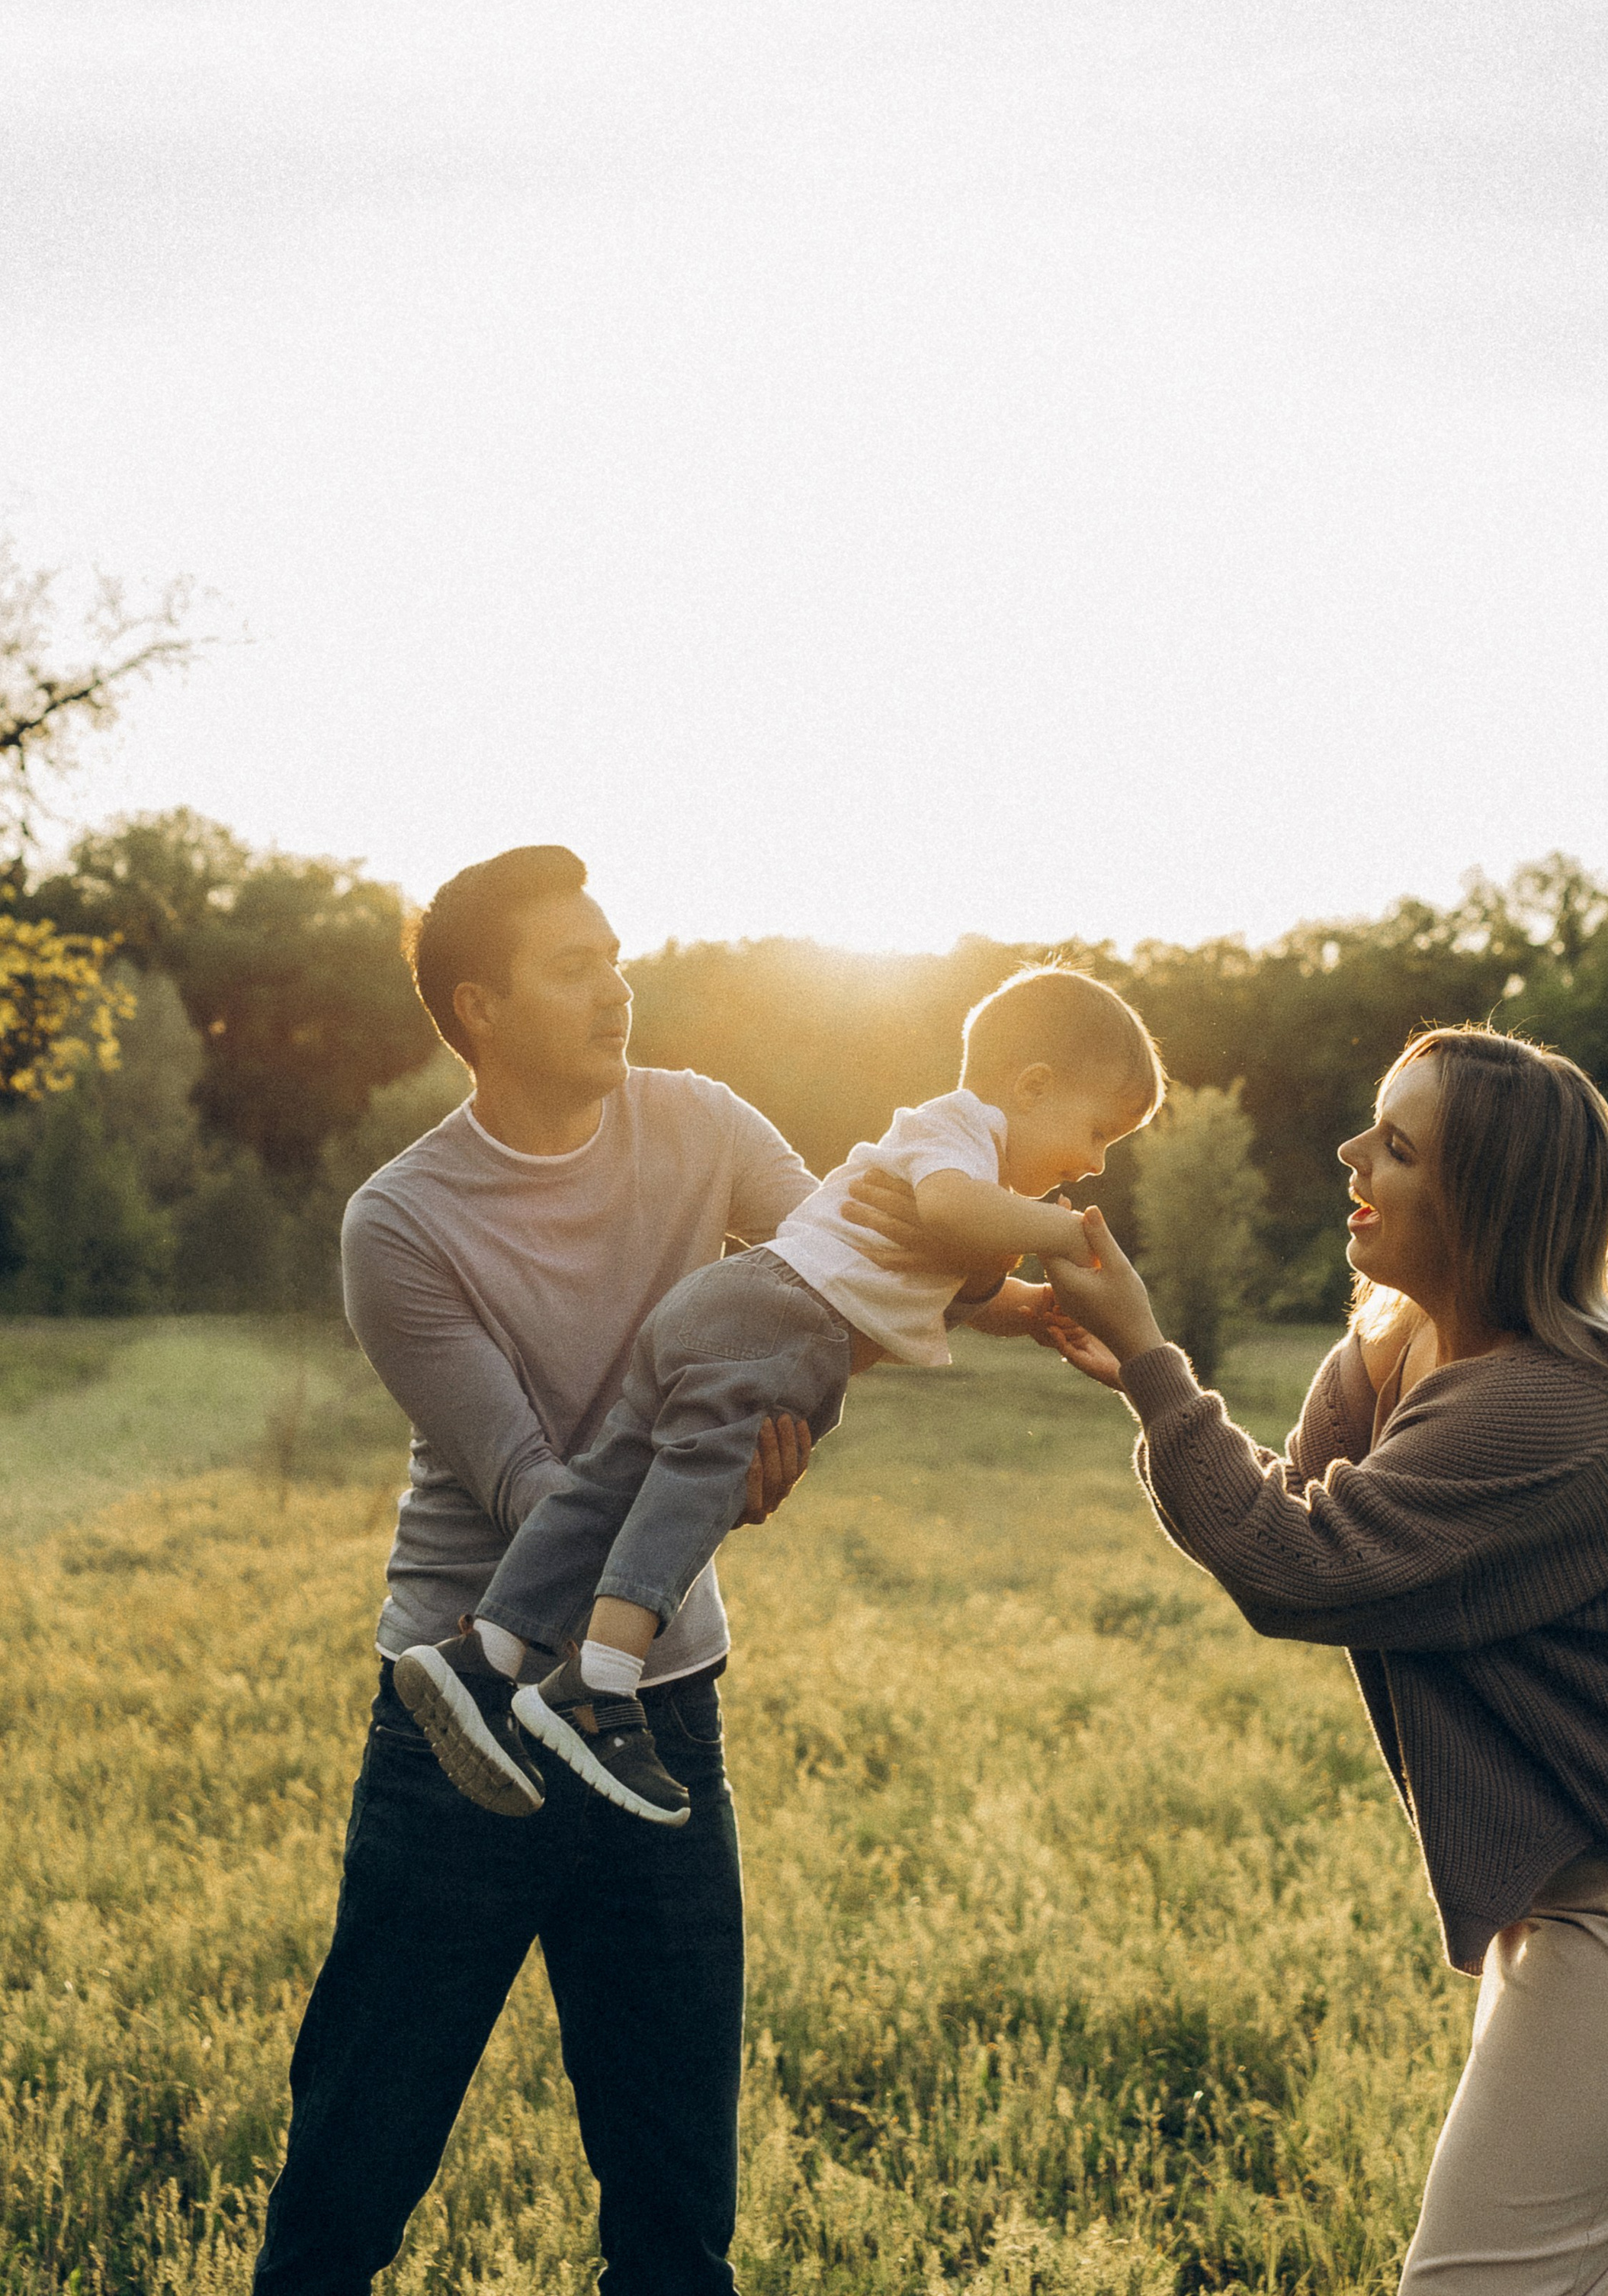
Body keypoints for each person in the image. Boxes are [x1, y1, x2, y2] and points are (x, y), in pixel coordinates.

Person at [253, 844, 1044, 2296]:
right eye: (574, 966)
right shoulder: (402, 1221)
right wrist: (703, 1492)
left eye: (615, 953)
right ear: (481, 1010)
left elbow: (851, 1252)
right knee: (348, 2184)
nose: (616, 986)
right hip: (467, 1720)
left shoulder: (699, 1123)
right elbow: (532, 1488)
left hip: (661, 1715)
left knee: (676, 2212)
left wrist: (1026, 1296)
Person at [1041, 1025, 1608, 2296]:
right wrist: (1145, 1377)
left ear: (1482, 1204)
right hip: (1603, 1889)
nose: (1352, 1153)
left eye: (1396, 1146)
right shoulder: (1403, 1339)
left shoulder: (1555, 1404)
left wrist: (1149, 1363)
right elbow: (1290, 1499)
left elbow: (1300, 1562)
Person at [394, 962, 1166, 1823]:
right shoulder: (964, 1135)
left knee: (608, 1484)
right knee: (688, 1487)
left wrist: (1029, 1311)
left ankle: (487, 1649)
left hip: (731, 1307)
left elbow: (938, 1269)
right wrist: (1074, 1237)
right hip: (774, 1320)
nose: (1094, 1166)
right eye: (1098, 1132)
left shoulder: (960, 1153)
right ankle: (599, 1684)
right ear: (1031, 1086)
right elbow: (951, 1213)